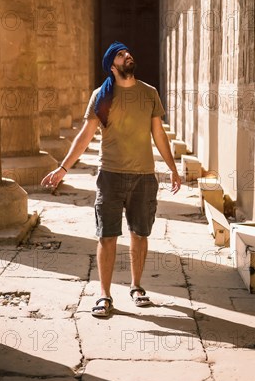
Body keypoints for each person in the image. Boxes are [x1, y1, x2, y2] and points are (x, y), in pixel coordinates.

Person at [41, 41, 181, 317]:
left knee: (140, 234)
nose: (128, 55)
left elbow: (159, 135)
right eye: (120, 54)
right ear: (112, 65)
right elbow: (85, 135)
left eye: (128, 52)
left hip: (143, 177)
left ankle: (137, 287)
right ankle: (104, 295)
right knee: (107, 236)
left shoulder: (149, 93)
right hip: (110, 176)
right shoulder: (101, 96)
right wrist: (63, 168)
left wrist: (173, 169)